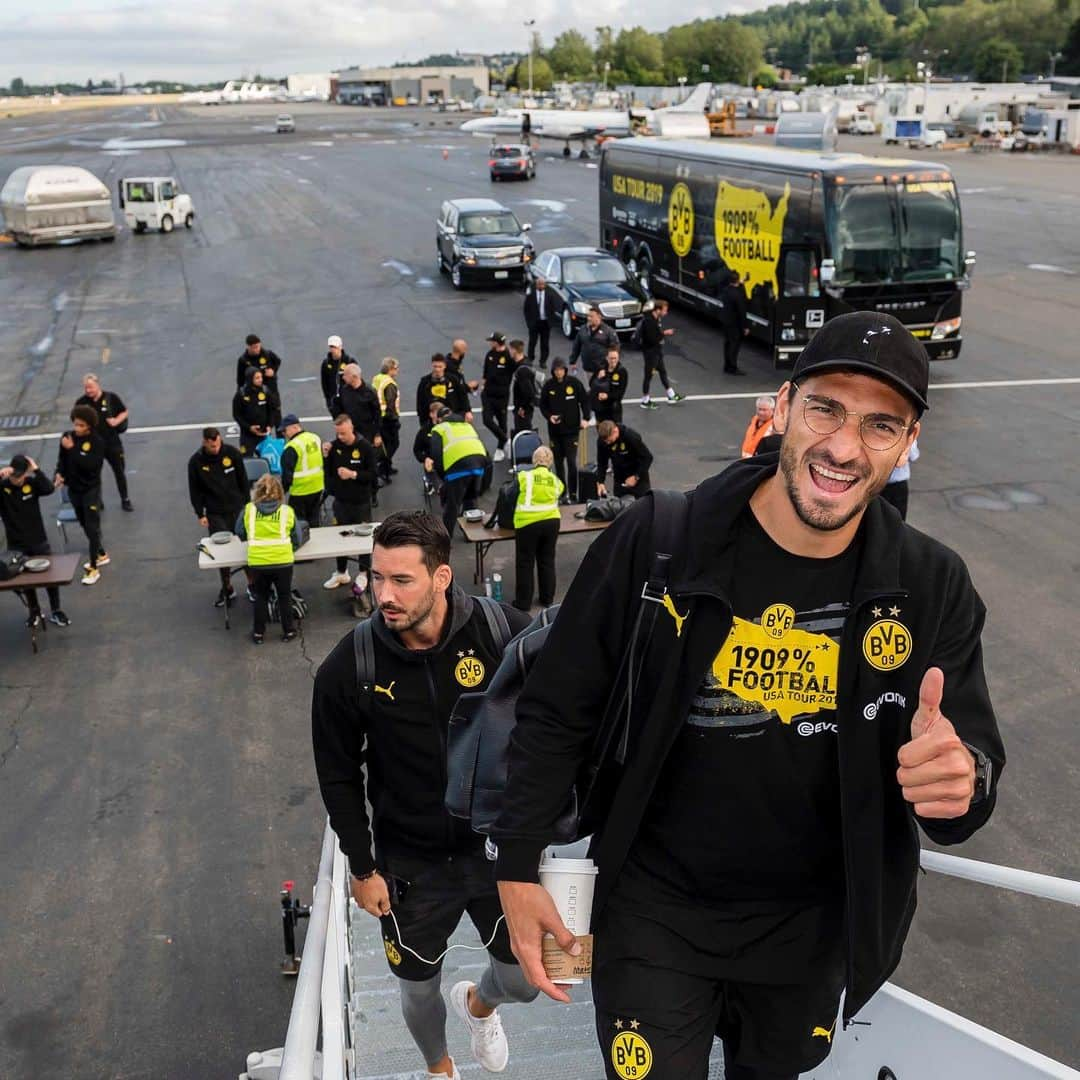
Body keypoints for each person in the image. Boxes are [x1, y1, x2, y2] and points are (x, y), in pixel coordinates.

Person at [492, 312, 1004, 1080]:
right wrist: (516, 866)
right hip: (652, 913)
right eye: (826, 407)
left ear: (907, 444)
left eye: (879, 426)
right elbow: (557, 707)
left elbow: (971, 771)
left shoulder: (931, 587)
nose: (842, 447)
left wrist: (960, 782)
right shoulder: (659, 538)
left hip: (811, 934)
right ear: (784, 406)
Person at [312, 511, 539, 1080]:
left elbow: (556, 725)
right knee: (417, 990)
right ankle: (440, 1069)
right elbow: (338, 775)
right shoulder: (351, 665)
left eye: (401, 580)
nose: (383, 595)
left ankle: (480, 1005)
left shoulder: (501, 630)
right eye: (376, 577)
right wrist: (362, 869)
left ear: (441, 577)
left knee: (525, 981)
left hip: (497, 848)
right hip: (408, 862)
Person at [0, 454, 70, 627]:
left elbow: (48, 489)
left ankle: (56, 610)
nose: (18, 480)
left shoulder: (32, 484)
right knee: (25, 581)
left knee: (50, 577)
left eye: (21, 476)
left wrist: (36, 469)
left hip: (38, 540)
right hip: (17, 544)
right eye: (15, 477)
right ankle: (34, 611)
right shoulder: (2, 488)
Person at [234, 472, 304, 645]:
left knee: (261, 597)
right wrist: (290, 548)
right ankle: (289, 631)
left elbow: (239, 532)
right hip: (283, 561)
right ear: (279, 492)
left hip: (258, 562)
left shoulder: (249, 510)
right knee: (284, 596)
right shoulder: (286, 511)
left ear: (256, 492)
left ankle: (259, 633)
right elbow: (298, 538)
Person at [188, 427, 249, 607]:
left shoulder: (232, 454)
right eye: (212, 446)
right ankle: (227, 587)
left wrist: (247, 505)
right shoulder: (196, 462)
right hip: (215, 512)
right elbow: (195, 490)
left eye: (217, 445)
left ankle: (252, 584)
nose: (215, 448)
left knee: (244, 546)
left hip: (237, 508)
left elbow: (243, 481)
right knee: (222, 553)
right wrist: (200, 513)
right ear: (205, 442)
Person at [322, 414, 378, 591]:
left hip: (360, 502)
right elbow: (328, 470)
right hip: (341, 502)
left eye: (343, 433)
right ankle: (341, 571)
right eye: (338, 433)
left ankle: (363, 573)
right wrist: (325, 455)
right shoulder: (335, 446)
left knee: (363, 538)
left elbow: (373, 475)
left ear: (351, 428)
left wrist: (353, 474)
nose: (340, 437)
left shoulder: (365, 448)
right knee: (341, 536)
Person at [54, 405, 107, 586]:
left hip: (90, 490)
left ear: (89, 426)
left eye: (80, 425)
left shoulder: (97, 442)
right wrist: (59, 474)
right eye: (75, 424)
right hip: (73, 490)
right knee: (84, 524)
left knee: (92, 528)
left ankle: (93, 568)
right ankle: (101, 552)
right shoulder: (67, 438)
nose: (76, 428)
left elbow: (91, 465)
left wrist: (73, 449)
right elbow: (62, 460)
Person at [510, 445, 563, 612]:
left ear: (534, 460)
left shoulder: (525, 476)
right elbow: (559, 493)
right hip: (551, 522)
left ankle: (523, 602)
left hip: (527, 522)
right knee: (547, 560)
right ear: (550, 463)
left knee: (525, 562)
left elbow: (511, 495)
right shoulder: (556, 481)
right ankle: (547, 598)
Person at [429, 406, 488, 540]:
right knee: (470, 500)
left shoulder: (438, 429)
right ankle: (472, 535)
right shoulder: (467, 426)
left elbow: (436, 455)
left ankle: (445, 538)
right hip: (478, 462)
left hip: (458, 466)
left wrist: (443, 477)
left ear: (439, 419)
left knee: (452, 504)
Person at [75, 373, 133, 511]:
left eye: (91, 387)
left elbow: (124, 412)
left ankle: (125, 499)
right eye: (86, 388)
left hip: (112, 443)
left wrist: (116, 421)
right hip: (94, 446)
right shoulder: (82, 403)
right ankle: (98, 501)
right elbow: (77, 421)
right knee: (94, 475)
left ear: (97, 384)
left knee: (119, 472)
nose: (88, 390)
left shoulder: (111, 398)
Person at [540, 358, 590, 501]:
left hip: (572, 432)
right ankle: (562, 492)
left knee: (571, 462)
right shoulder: (548, 386)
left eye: (561, 369)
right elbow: (543, 405)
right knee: (558, 463)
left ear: (565, 370)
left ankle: (573, 493)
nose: (559, 372)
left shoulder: (574, 384)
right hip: (555, 433)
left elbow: (585, 401)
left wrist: (586, 418)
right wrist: (549, 417)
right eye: (556, 370)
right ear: (553, 371)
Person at [280, 414, 325, 527]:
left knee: (298, 524)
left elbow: (287, 475)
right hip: (317, 487)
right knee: (314, 519)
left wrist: (281, 492)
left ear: (294, 427)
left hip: (299, 492)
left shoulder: (292, 447)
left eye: (285, 430)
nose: (284, 434)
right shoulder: (315, 438)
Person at [638, 299, 683, 409]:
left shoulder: (656, 318)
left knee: (663, 372)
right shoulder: (649, 321)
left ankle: (671, 395)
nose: (666, 313)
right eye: (664, 310)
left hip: (656, 351)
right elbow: (652, 338)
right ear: (658, 310)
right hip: (650, 353)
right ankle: (645, 400)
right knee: (648, 376)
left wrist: (661, 335)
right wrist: (664, 333)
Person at [596, 420, 653, 498]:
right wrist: (601, 482)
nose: (608, 443)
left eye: (610, 440)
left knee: (644, 505)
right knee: (620, 507)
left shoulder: (631, 437)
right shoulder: (602, 441)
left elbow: (647, 457)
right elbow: (602, 462)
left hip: (638, 475)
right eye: (606, 442)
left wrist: (636, 477)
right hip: (619, 477)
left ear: (615, 431)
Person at [232, 367, 281, 458]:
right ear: (250, 379)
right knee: (247, 460)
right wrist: (249, 428)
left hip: (264, 435)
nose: (260, 380)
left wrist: (270, 425)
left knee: (267, 460)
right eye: (257, 378)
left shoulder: (266, 391)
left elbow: (272, 410)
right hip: (247, 436)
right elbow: (237, 415)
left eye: (261, 377)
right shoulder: (240, 395)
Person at [332, 363, 383, 448]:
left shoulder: (370, 392)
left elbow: (377, 415)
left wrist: (378, 435)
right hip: (349, 433)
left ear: (354, 377)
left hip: (366, 435)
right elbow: (339, 412)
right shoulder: (343, 391)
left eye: (345, 375)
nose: (343, 377)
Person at [481, 332, 513, 461]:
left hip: (502, 395)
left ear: (497, 342)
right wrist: (483, 386)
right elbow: (485, 372)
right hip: (488, 394)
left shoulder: (508, 357)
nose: (490, 343)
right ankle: (506, 441)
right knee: (487, 420)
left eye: (492, 341)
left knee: (502, 422)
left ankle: (500, 449)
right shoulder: (490, 354)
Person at [416, 355, 472, 426]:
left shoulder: (453, 380)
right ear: (432, 366)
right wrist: (422, 420)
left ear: (445, 366)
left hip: (452, 416)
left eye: (440, 367)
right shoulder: (424, 382)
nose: (437, 369)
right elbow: (420, 400)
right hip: (432, 419)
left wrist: (468, 411)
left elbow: (463, 395)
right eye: (435, 366)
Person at [372, 357, 402, 483]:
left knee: (385, 444)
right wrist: (395, 419)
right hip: (388, 419)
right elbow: (390, 404)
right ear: (390, 369)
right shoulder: (390, 384)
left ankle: (387, 467)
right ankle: (382, 468)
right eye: (396, 368)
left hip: (378, 417)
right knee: (393, 444)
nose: (398, 370)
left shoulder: (377, 378)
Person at [570, 307, 618, 376]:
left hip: (603, 370)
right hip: (588, 368)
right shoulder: (583, 329)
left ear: (599, 317)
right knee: (590, 386)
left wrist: (610, 367)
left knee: (602, 386)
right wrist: (573, 361)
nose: (589, 318)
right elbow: (576, 346)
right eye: (588, 316)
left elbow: (615, 350)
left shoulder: (608, 331)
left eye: (591, 316)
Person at [881, 437, 919, 521]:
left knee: (880, 515)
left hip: (881, 483)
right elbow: (914, 456)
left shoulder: (881, 437)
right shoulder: (909, 437)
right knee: (899, 516)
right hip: (898, 484)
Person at [720, 270, 749, 375]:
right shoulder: (738, 295)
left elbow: (734, 287)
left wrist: (741, 282)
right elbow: (742, 311)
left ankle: (727, 365)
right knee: (734, 345)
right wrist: (745, 327)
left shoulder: (726, 291)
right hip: (735, 324)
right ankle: (733, 367)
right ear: (737, 280)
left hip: (726, 321)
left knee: (727, 344)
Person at [589, 346, 628, 426]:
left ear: (618, 358)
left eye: (615, 358)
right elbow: (591, 384)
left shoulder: (621, 372)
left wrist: (607, 396)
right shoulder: (601, 368)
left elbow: (620, 394)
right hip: (600, 409)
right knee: (601, 433)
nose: (613, 360)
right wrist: (598, 377)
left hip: (613, 410)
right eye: (611, 358)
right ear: (607, 358)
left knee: (614, 435)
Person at [509, 339, 537, 436]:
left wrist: (523, 407)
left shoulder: (522, 370)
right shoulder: (526, 361)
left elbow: (528, 392)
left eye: (510, 350)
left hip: (523, 409)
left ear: (514, 350)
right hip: (525, 406)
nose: (510, 352)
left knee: (523, 433)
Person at [321, 334, 354, 415]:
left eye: (335, 347)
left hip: (349, 402)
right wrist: (329, 403)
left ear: (340, 347)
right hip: (335, 404)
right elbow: (324, 384)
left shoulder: (349, 361)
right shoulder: (326, 364)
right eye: (331, 347)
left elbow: (356, 379)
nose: (333, 349)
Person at [523, 275, 551, 370]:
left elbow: (552, 308)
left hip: (545, 322)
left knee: (545, 343)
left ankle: (543, 361)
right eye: (538, 284)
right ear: (536, 285)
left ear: (545, 285)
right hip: (534, 322)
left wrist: (551, 322)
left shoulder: (549, 294)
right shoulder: (531, 295)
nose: (540, 286)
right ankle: (530, 358)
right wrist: (528, 323)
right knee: (532, 342)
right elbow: (526, 309)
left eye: (542, 284)